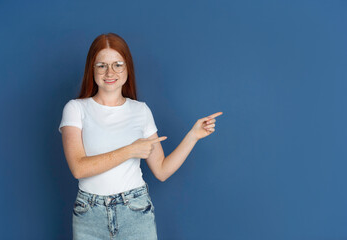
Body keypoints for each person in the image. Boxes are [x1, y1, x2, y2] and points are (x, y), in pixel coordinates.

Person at [58, 32, 223, 240]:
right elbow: (79, 168)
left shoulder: (140, 111)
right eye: (102, 65)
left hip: (135, 210)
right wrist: (130, 150)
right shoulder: (75, 109)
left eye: (118, 64)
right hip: (89, 213)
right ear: (92, 69)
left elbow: (162, 170)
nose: (110, 72)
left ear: (127, 68)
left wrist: (193, 136)